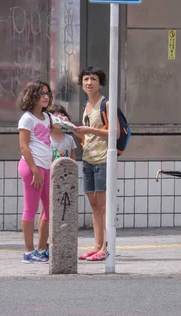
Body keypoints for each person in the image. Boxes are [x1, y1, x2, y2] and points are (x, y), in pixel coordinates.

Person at [74, 66, 119, 262]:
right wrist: (81, 132)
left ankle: (105, 247)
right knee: (93, 205)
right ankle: (96, 245)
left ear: (101, 83)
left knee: (103, 205)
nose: (89, 82)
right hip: (88, 158)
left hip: (102, 159)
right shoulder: (86, 105)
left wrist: (88, 130)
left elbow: (115, 133)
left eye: (93, 79)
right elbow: (89, 132)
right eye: (85, 79)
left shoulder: (106, 104)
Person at [17, 80, 53, 263]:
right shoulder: (27, 118)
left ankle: (41, 248)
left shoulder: (48, 118)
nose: (46, 97)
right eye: (41, 94)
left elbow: (47, 141)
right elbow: (24, 147)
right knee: (30, 209)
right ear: (33, 96)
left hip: (46, 167)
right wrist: (35, 171)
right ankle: (29, 251)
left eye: (47, 93)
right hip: (32, 167)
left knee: (49, 209)